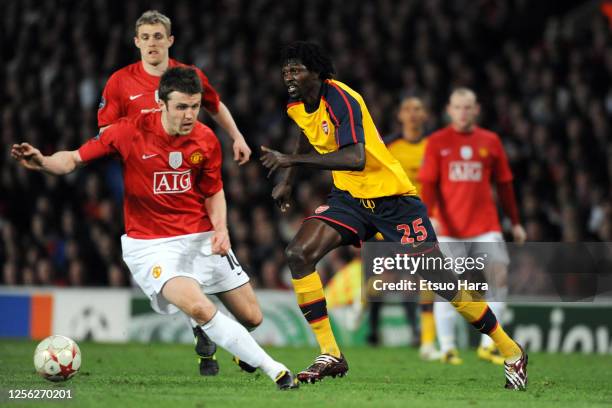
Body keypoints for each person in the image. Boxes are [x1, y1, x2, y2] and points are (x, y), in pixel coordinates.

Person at [260, 41, 527, 390]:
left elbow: (355, 157)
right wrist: (288, 181)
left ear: (316, 72)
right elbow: (306, 133)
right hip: (350, 198)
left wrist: (291, 163)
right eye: (285, 71)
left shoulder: (343, 100)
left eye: (296, 70)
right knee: (298, 253)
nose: (289, 76)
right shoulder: (296, 104)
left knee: (443, 284)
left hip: (393, 201)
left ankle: (511, 351)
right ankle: (330, 352)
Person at [11, 67, 298, 390]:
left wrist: (221, 229)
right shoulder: (127, 132)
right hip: (151, 245)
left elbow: (213, 191)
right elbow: (74, 159)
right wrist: (44, 161)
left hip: (200, 236)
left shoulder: (205, 138)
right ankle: (276, 370)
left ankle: (217, 333)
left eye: (194, 106)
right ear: (161, 104)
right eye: (181, 107)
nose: (189, 114)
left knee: (252, 318)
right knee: (201, 307)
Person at [98, 10, 252, 376]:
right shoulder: (120, 83)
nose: (152, 42)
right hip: (147, 183)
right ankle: (202, 324)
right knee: (174, 262)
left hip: (187, 177)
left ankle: (209, 327)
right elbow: (106, 133)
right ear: (137, 42)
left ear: (170, 40)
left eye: (158, 36)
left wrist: (237, 136)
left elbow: (215, 106)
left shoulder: (190, 77)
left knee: (197, 250)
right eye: (145, 37)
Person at [419, 88, 527, 365]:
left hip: (485, 225)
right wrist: (429, 215)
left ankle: (489, 345)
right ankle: (447, 348)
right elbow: (428, 183)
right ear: (449, 109)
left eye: (468, 107)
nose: (463, 113)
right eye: (458, 107)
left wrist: (515, 222)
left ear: (476, 110)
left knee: (499, 278)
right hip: (448, 228)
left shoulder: (490, 141)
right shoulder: (437, 142)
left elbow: (504, 185)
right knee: (448, 287)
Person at [367, 96, 440, 359]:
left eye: (418, 109)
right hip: (389, 222)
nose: (412, 114)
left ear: (425, 115)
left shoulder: (434, 147)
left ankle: (419, 335)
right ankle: (371, 328)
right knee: (384, 280)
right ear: (400, 115)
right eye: (408, 109)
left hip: (421, 223)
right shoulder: (389, 146)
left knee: (418, 279)